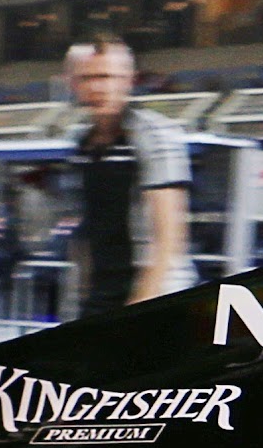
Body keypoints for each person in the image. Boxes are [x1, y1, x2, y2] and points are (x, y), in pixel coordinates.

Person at [60, 36, 189, 315]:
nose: (97, 87)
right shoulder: (80, 145)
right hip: (99, 296)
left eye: (107, 77)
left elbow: (168, 238)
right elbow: (84, 230)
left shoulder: (155, 135)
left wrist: (141, 304)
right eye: (87, 78)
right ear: (73, 84)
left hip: (153, 297)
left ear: (129, 81)